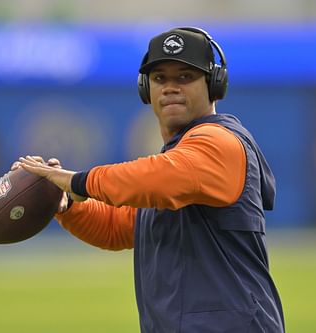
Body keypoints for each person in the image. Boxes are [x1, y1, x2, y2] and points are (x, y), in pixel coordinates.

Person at [14, 27, 285, 333]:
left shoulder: (219, 142)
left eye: (185, 76)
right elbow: (117, 227)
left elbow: (156, 177)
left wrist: (77, 181)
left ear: (214, 84)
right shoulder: (178, 159)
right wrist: (66, 206)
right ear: (146, 89)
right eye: (160, 78)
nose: (170, 87)